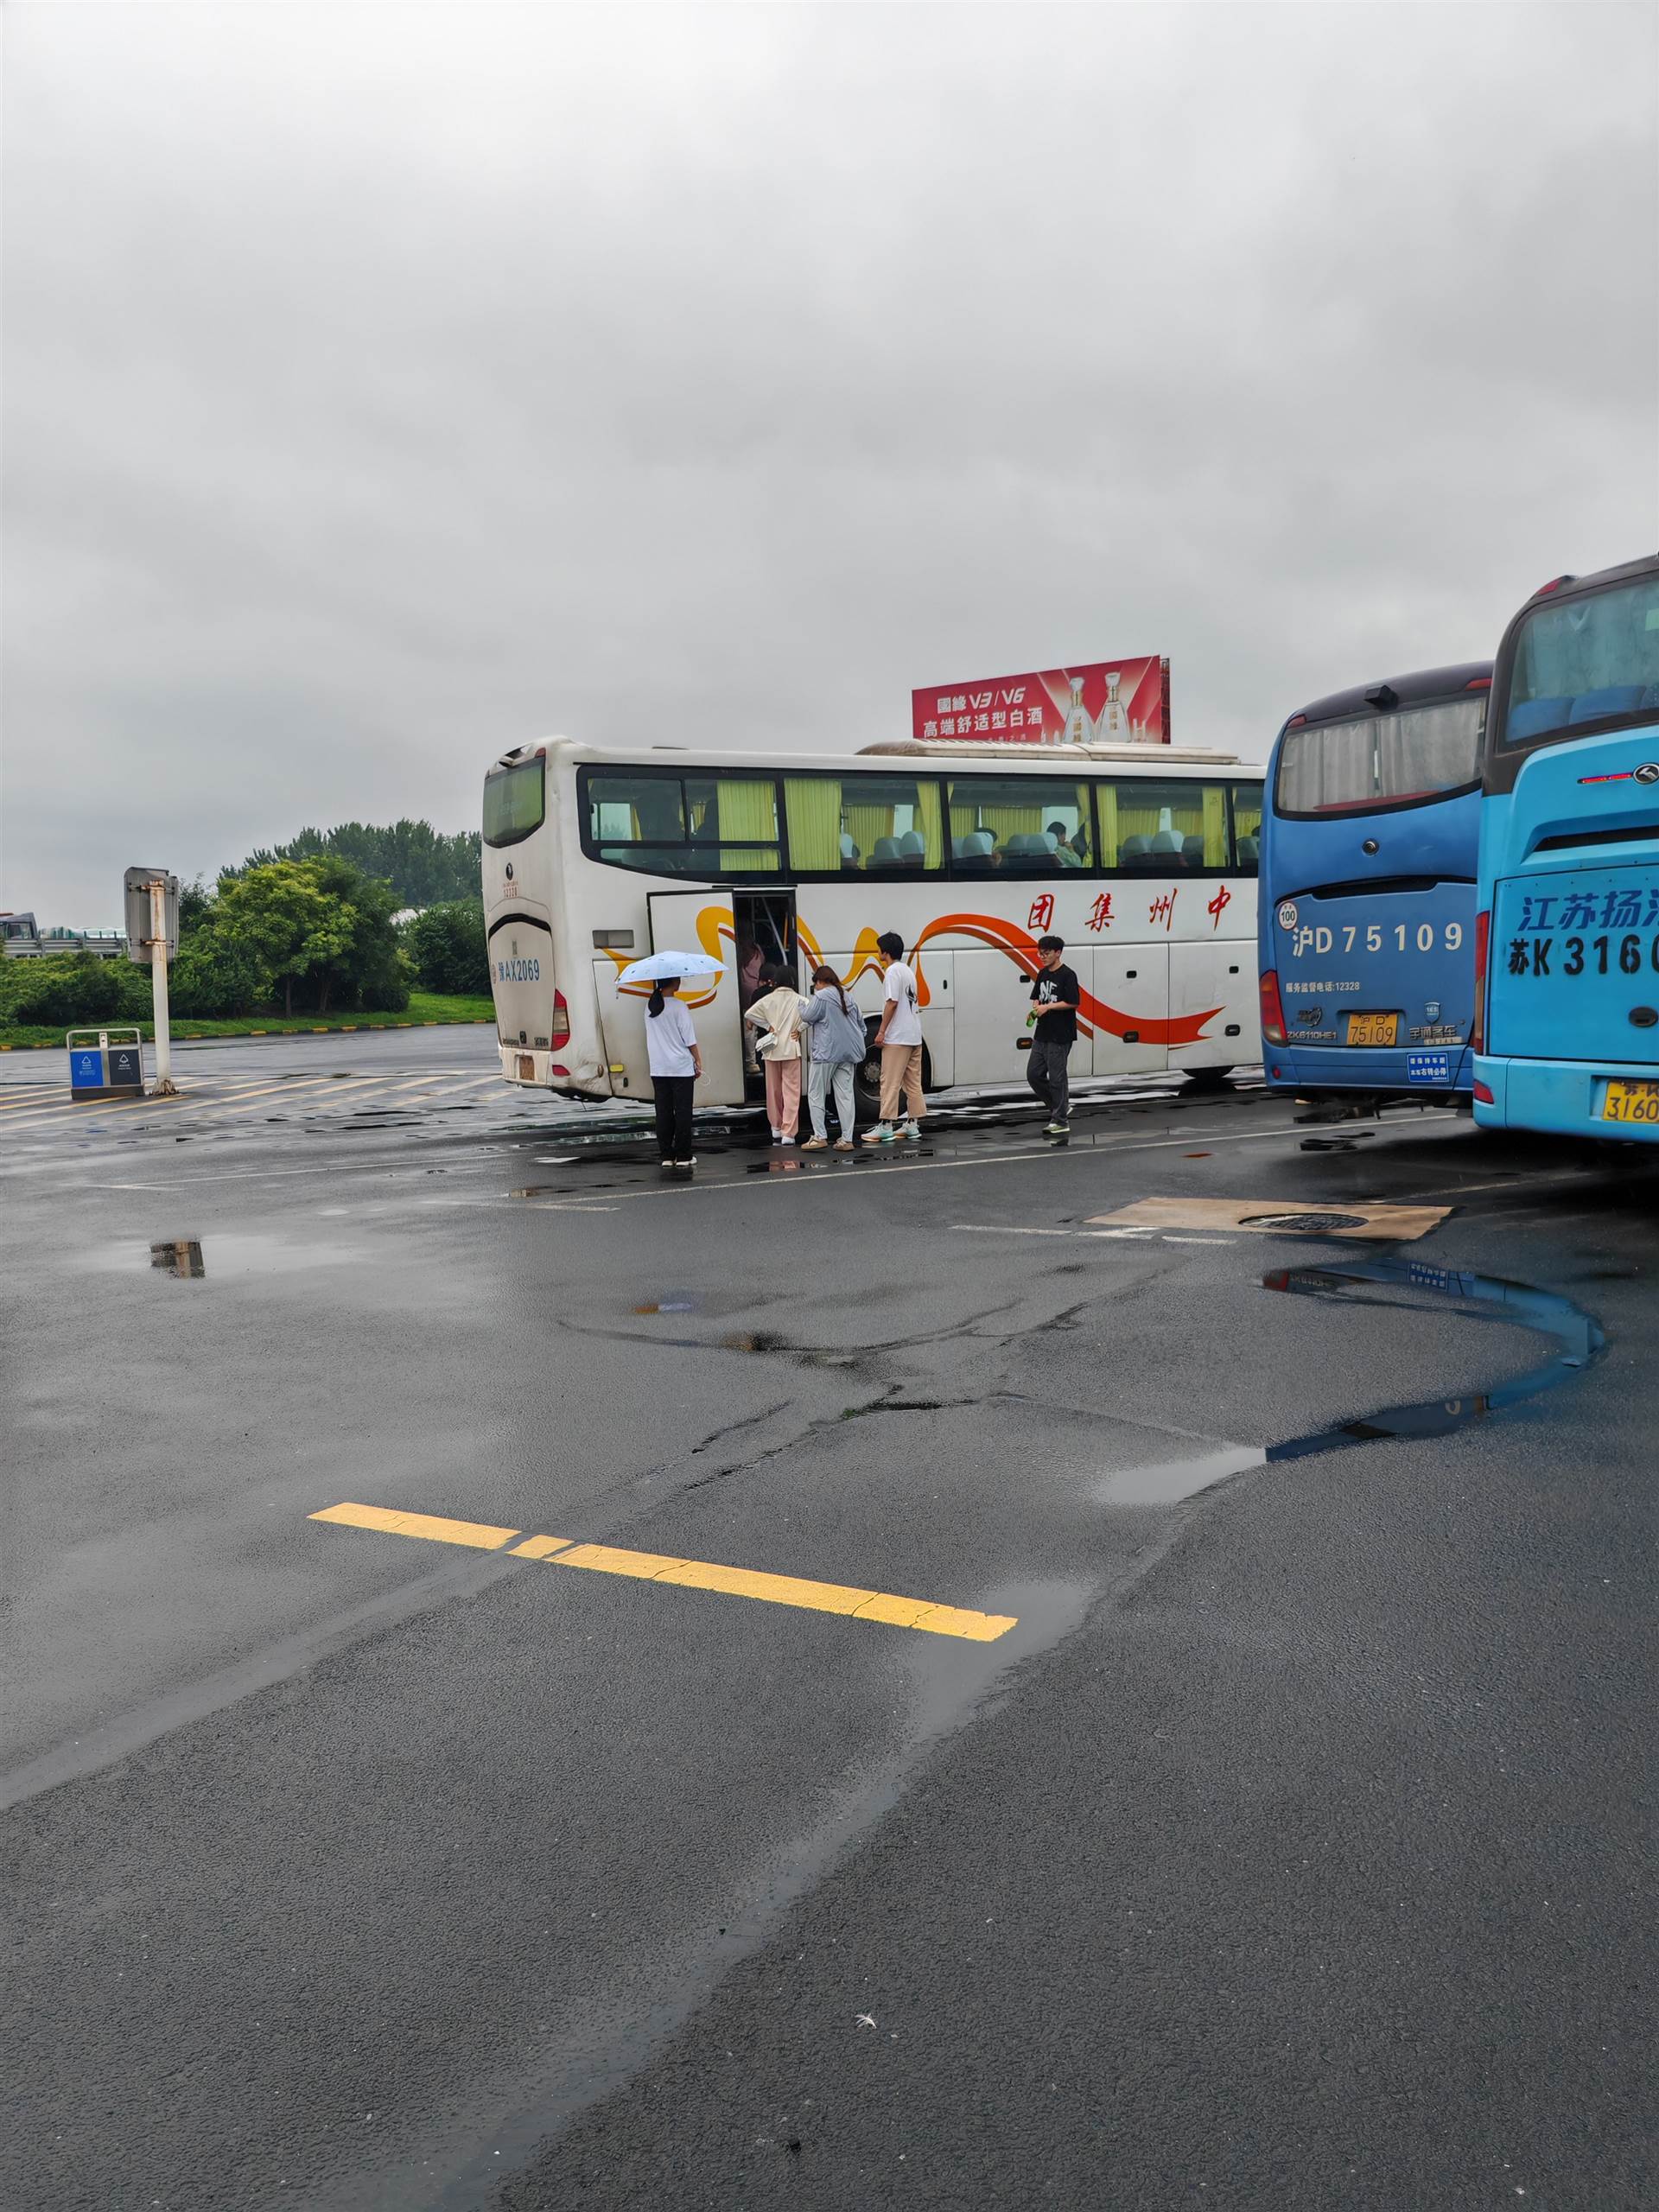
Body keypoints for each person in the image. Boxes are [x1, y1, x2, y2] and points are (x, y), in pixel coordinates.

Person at [861, 931, 925, 1144]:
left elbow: (892, 1002)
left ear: (885, 952)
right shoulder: (907, 970)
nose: (878, 952)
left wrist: (881, 1031)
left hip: (898, 1037)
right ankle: (912, 1124)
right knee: (913, 1082)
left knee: (889, 1081)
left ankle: (886, 1126)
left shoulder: (891, 972)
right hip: (915, 1034)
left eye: (879, 949)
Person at [797, 964, 866, 1150]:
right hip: (848, 1054)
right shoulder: (848, 996)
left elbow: (808, 1016)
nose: (816, 988)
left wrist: (801, 1004)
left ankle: (819, 1136)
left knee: (816, 1094)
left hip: (826, 1053)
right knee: (845, 1096)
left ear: (820, 981)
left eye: (816, 984)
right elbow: (862, 1025)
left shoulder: (821, 996)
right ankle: (847, 1139)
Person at [742, 963, 805, 1144]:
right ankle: (789, 1132)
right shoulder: (800, 1000)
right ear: (792, 980)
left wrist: (767, 1026)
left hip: (771, 1051)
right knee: (791, 1092)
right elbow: (813, 1015)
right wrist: (800, 1028)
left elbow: (750, 1014)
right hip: (792, 1049)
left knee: (773, 1090)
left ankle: (776, 1128)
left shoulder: (768, 999)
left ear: (776, 981)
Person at [645, 976, 701, 1172]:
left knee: (663, 1112)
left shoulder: (650, 1007)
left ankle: (667, 1155)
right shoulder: (679, 1006)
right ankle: (684, 1155)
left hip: (658, 1068)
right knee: (683, 1111)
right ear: (674, 983)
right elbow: (689, 1038)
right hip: (680, 1068)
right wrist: (698, 1060)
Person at [1026, 933, 1081, 1135]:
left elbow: (1073, 1001)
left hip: (1061, 1034)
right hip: (1042, 1032)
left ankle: (1060, 1120)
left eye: (1046, 953)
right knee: (1033, 1074)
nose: (1042, 956)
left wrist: (1048, 1007)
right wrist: (1036, 1008)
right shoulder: (1042, 974)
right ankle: (1062, 1107)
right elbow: (1036, 997)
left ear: (1058, 953)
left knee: (1057, 1078)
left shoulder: (1068, 975)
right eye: (1040, 953)